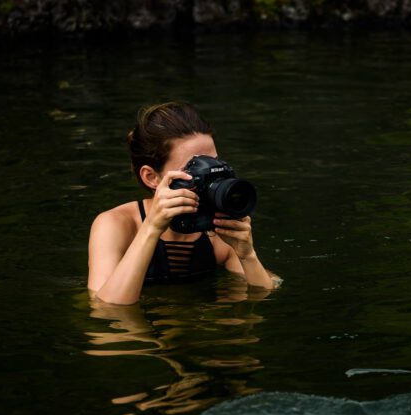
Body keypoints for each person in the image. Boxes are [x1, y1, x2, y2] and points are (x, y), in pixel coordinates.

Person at [88, 102, 281, 305]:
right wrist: (152, 228)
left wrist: (248, 255)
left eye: (213, 162)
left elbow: (264, 295)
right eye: (195, 167)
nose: (209, 174)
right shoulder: (115, 224)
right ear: (151, 177)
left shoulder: (218, 230)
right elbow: (106, 311)